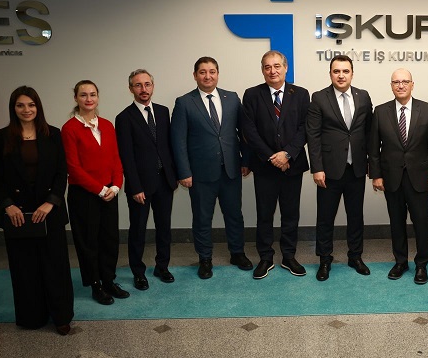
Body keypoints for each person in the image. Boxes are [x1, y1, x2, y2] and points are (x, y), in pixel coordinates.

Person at [0, 86, 74, 335]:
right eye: (20, 105)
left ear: (38, 107)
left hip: (49, 212)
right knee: (24, 268)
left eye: (31, 105)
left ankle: (61, 316)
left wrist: (51, 202)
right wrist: (8, 205)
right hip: (17, 214)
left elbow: (61, 172)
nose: (26, 110)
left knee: (55, 266)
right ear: (13, 108)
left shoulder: (53, 134)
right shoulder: (0, 137)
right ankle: (31, 316)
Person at [171, 57, 253, 280]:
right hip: (200, 173)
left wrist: (246, 160)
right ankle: (205, 258)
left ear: (218, 74)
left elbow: (244, 132)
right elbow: (178, 140)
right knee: (202, 218)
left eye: (212, 71)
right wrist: (184, 172)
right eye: (203, 72)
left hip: (231, 170)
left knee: (234, 215)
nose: (208, 76)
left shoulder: (232, 98)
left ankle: (237, 253)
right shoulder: (184, 102)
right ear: (195, 75)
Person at [239, 50, 310, 279]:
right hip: (264, 166)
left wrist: (287, 154)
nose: (273, 71)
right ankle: (266, 258)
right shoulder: (252, 94)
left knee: (290, 214)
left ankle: (289, 256)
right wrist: (272, 157)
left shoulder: (301, 94)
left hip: (292, 166)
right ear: (262, 70)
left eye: (277, 66)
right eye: (267, 67)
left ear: (285, 68)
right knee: (264, 214)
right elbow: (249, 130)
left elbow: (305, 128)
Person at [369, 68, 428, 285]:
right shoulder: (380, 111)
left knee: (422, 222)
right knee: (396, 222)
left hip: (420, 178)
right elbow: (374, 147)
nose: (400, 85)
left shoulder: (427, 109)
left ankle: (421, 264)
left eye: (405, 81)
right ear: (391, 85)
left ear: (412, 84)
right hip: (391, 178)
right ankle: (400, 261)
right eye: (396, 82)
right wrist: (376, 175)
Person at [306, 55, 372, 281]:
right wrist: (316, 167)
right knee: (325, 218)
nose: (341, 75)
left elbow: (370, 132)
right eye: (336, 71)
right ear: (330, 74)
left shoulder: (363, 96)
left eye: (345, 71)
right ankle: (325, 259)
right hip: (329, 170)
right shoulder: (319, 98)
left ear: (352, 73)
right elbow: (313, 135)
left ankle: (355, 256)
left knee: (356, 216)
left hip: (356, 169)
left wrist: (372, 165)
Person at [62, 80, 128, 305]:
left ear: (98, 97)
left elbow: (116, 159)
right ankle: (95, 284)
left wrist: (116, 185)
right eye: (83, 95)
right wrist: (100, 189)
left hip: (109, 192)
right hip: (84, 195)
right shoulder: (69, 129)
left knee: (110, 239)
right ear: (76, 98)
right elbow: (73, 167)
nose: (88, 99)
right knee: (88, 241)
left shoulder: (107, 125)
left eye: (92, 94)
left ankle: (108, 280)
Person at [115, 69, 178, 290]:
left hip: (164, 181)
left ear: (153, 86)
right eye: (138, 85)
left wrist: (174, 175)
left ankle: (162, 266)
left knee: (164, 227)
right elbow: (126, 156)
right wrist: (134, 186)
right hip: (140, 186)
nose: (144, 89)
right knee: (138, 230)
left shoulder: (162, 111)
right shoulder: (124, 118)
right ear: (131, 88)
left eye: (147, 84)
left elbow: (168, 146)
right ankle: (138, 272)